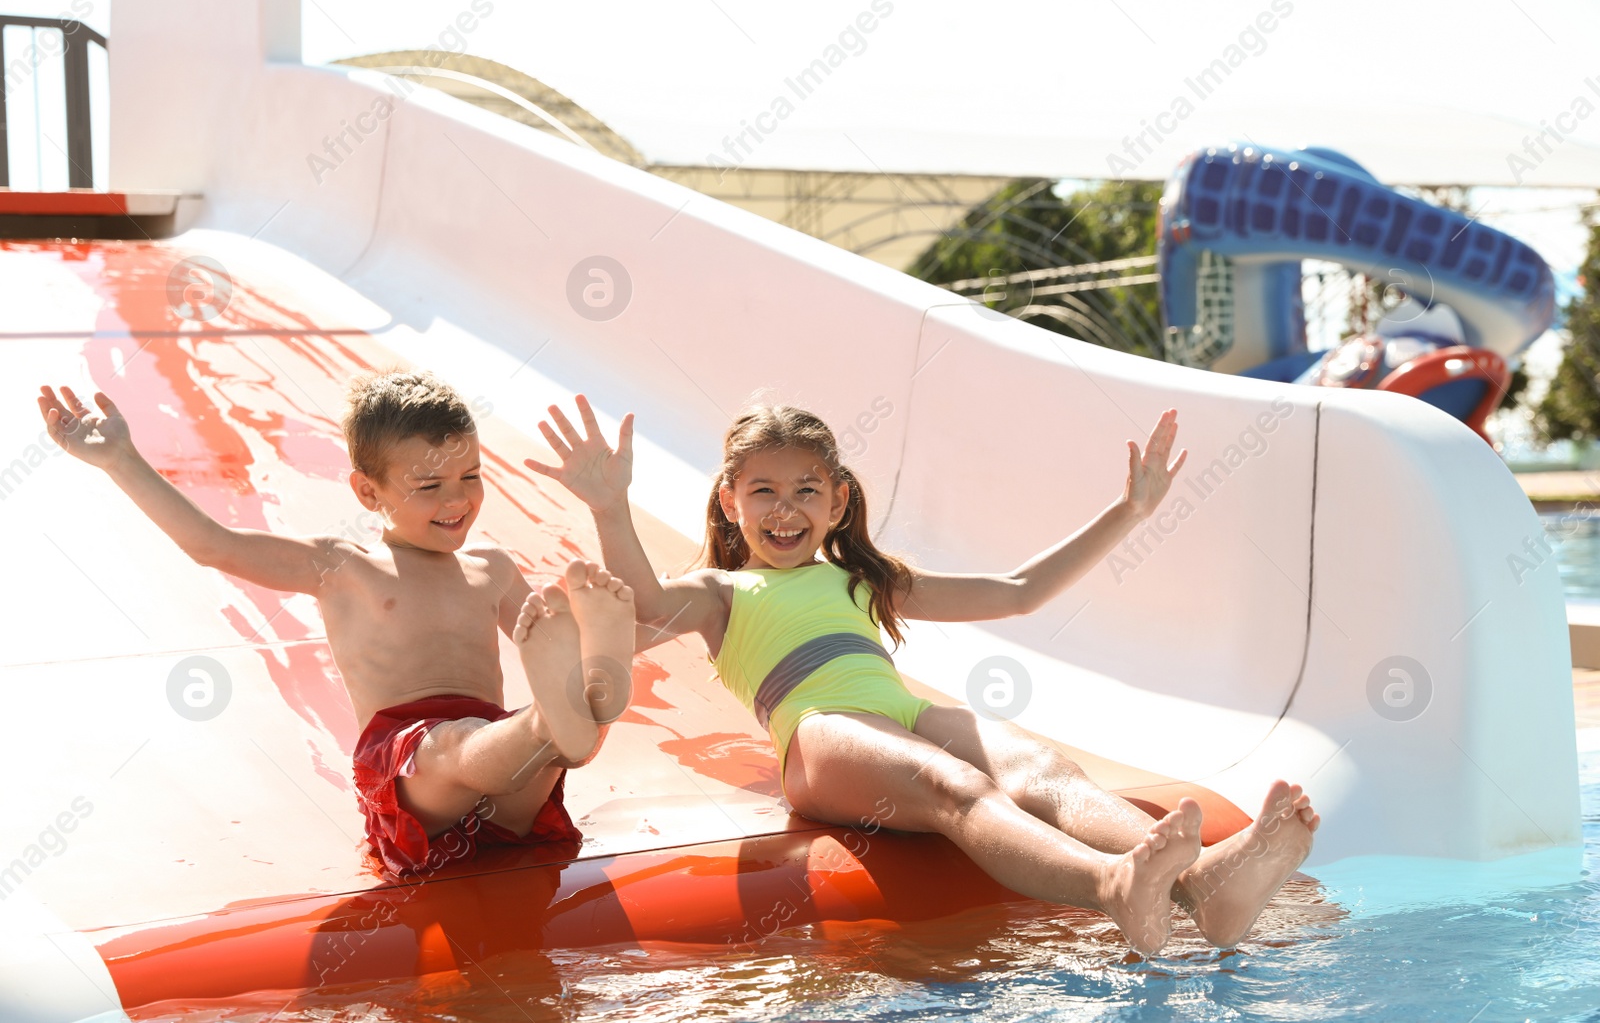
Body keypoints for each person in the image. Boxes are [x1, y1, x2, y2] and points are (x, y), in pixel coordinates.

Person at [525, 394, 1319, 956]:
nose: (784, 506)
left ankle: (1202, 889)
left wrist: (1130, 513)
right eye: (761, 489)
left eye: (806, 488)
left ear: (837, 500)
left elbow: (1016, 592)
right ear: (730, 502)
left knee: (1041, 768)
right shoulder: (720, 593)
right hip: (822, 734)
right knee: (956, 788)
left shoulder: (863, 577)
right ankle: (1116, 885)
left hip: (898, 711)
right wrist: (609, 504)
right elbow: (645, 607)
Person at [35, 369, 637, 878]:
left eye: (471, 477)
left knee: (534, 756)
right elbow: (212, 545)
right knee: (459, 743)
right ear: (366, 492)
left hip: (497, 771)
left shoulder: (493, 569)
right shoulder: (342, 566)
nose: (457, 501)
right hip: (411, 764)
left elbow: (552, 648)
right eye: (429, 485)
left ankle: (574, 711)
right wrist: (120, 460)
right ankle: (554, 719)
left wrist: (609, 513)